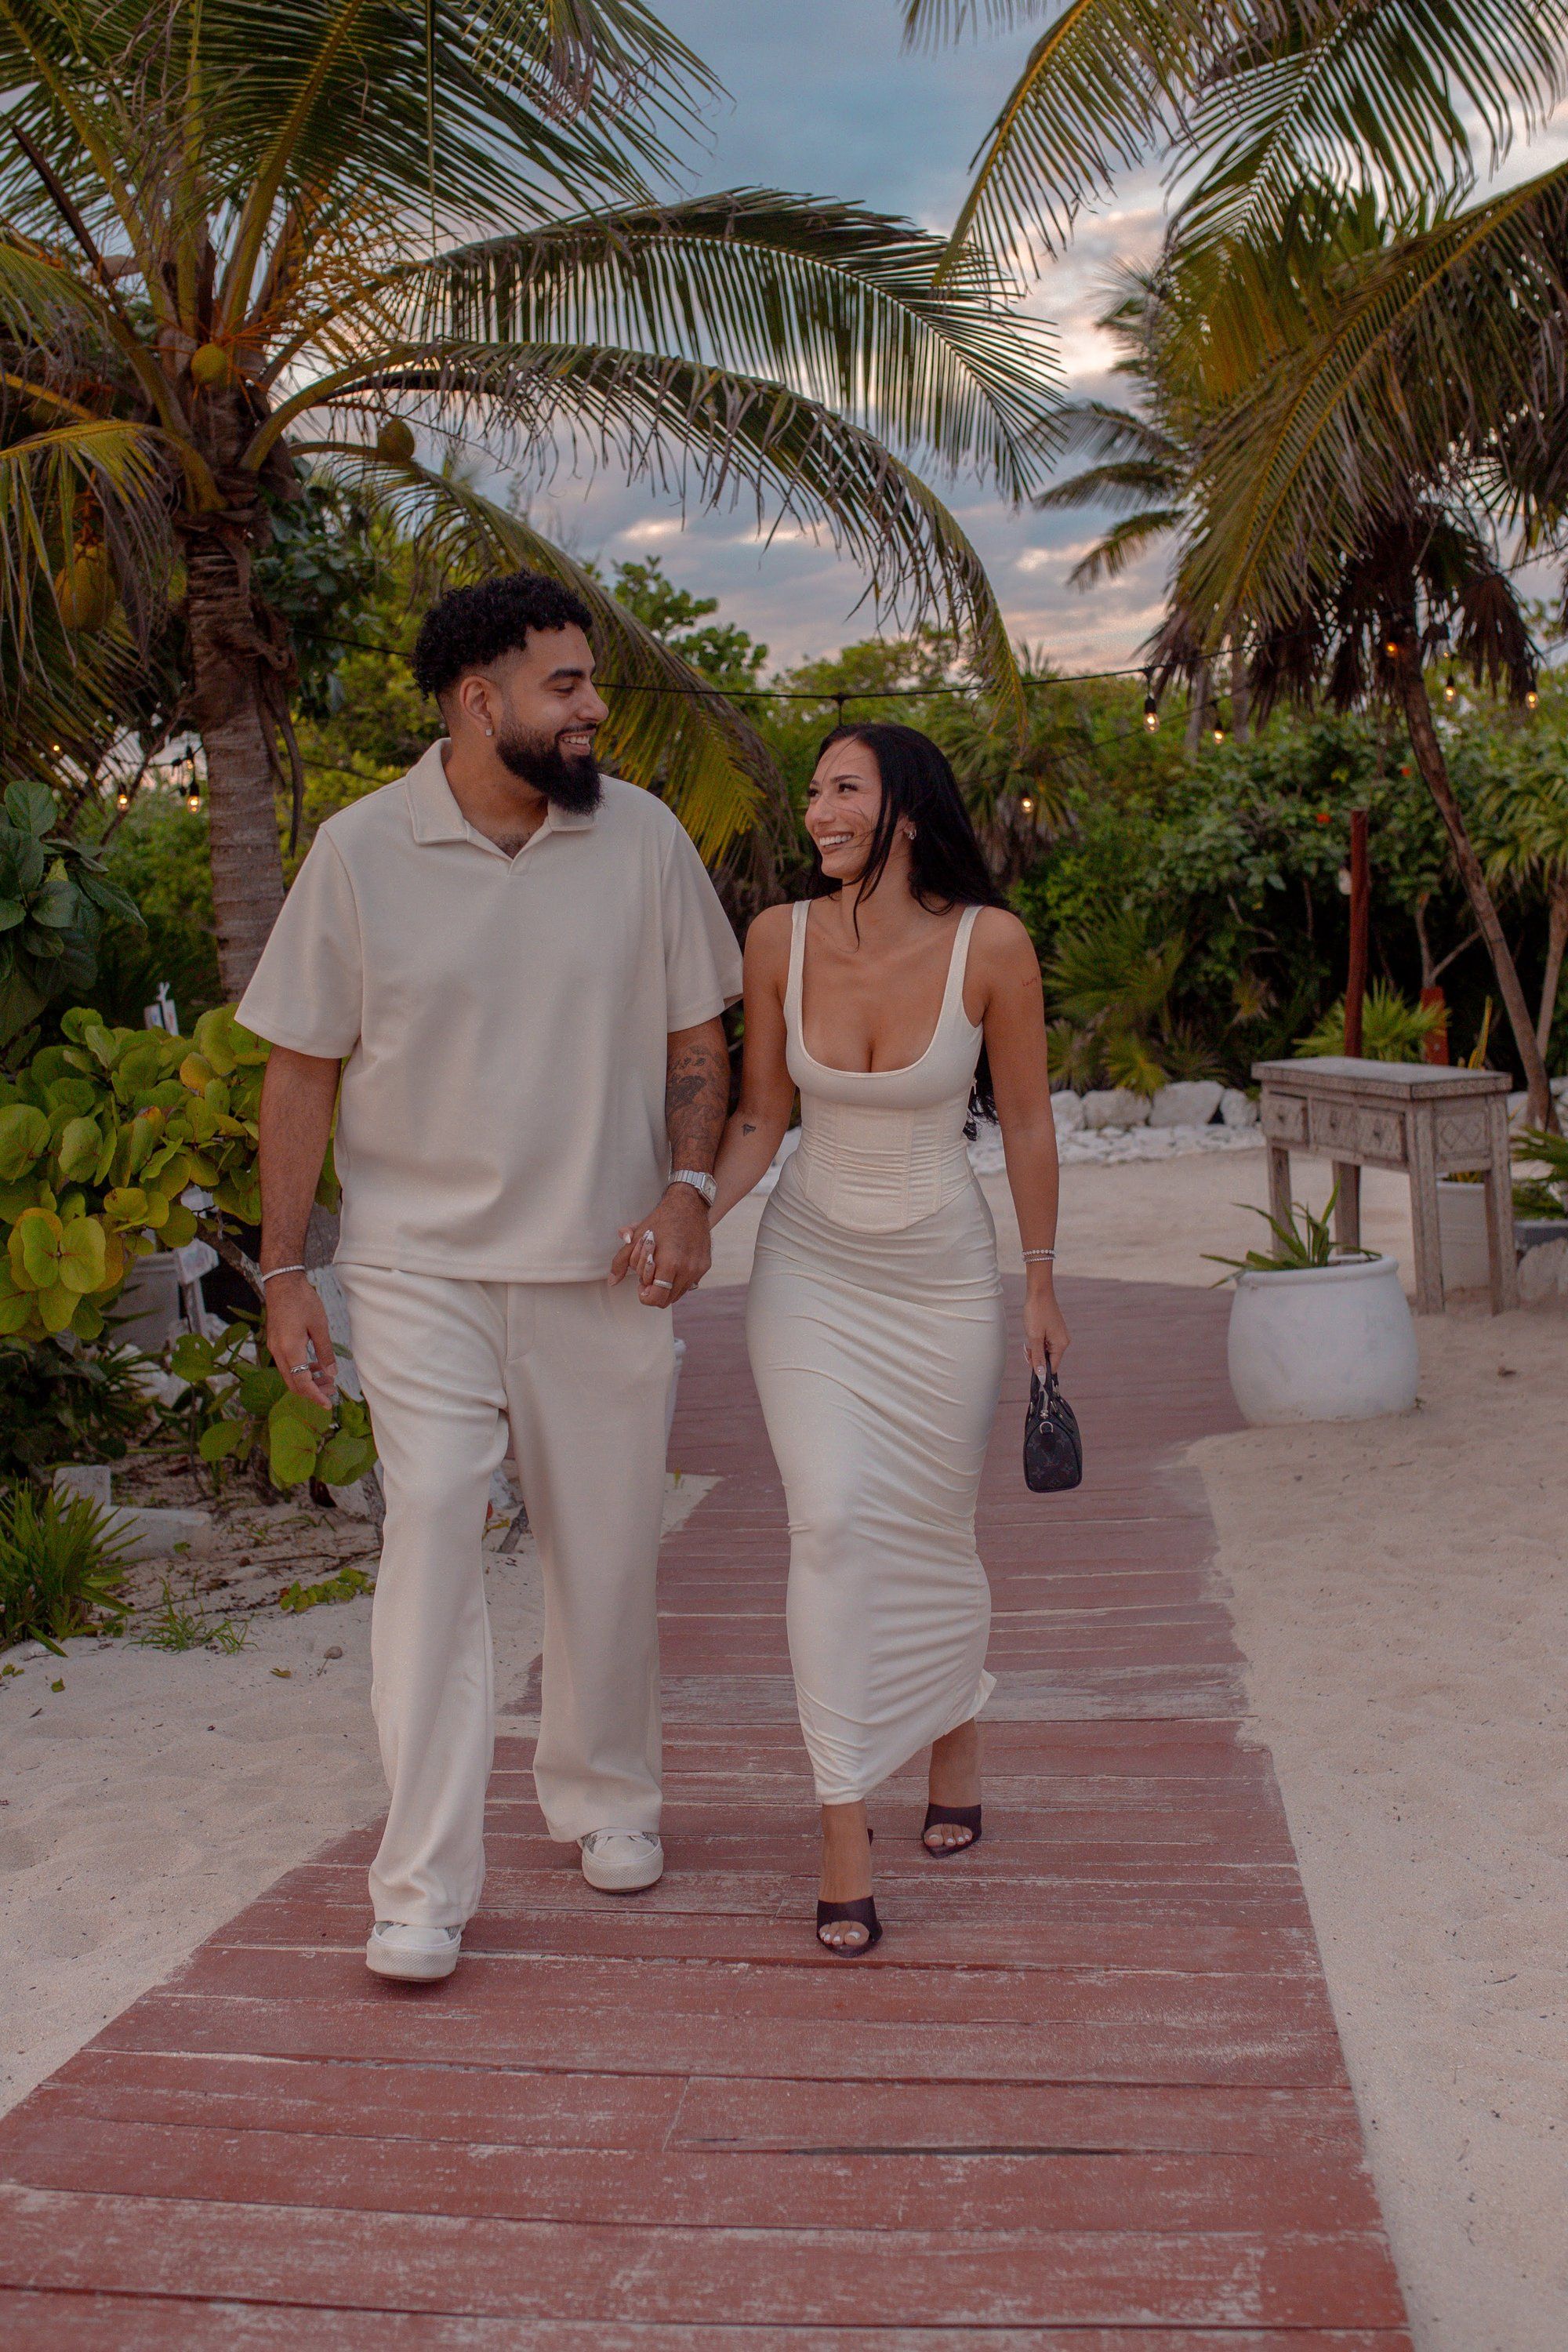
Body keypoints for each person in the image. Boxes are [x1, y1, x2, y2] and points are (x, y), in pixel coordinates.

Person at [240, 572, 741, 1983]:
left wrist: (690, 1189)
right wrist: (288, 1270)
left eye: (591, 685)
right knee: (437, 1532)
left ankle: (607, 1798)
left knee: (606, 1546)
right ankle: (422, 1885)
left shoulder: (640, 839)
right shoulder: (358, 851)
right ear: (481, 703)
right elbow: (301, 1067)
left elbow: (697, 1031)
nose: (593, 710)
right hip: (417, 1268)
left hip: (604, 1260)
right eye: (566, 687)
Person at [710, 721, 1068, 1952]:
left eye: (844, 788)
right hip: (809, 1267)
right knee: (832, 1521)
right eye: (813, 791)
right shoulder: (776, 938)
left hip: (944, 1282)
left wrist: (1039, 1283)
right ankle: (842, 1815)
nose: (819, 809)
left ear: (906, 809)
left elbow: (1024, 1124)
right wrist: (694, 1209)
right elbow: (761, 1117)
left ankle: (954, 1733)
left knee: (931, 1523)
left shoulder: (992, 945)